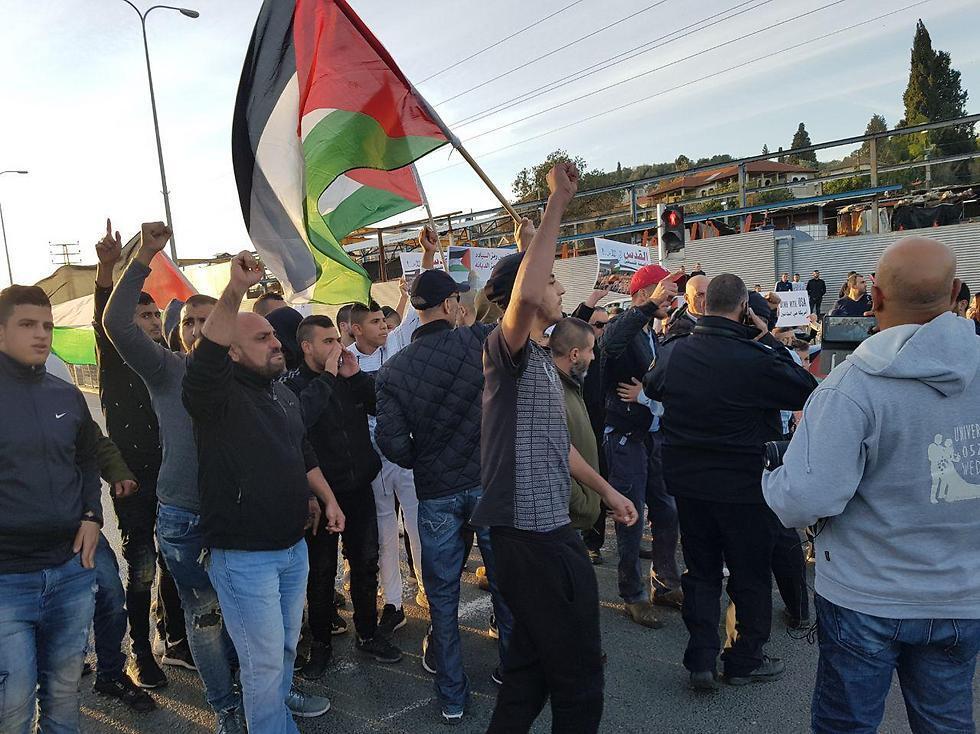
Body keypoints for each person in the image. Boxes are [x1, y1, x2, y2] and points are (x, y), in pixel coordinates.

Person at [763, 236, 980, 733]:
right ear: (957, 295)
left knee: (847, 725)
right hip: (963, 592)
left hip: (867, 595)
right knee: (947, 721)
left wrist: (771, 479)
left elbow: (807, 498)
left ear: (875, 298)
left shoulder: (850, 388)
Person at [472, 163, 638, 734]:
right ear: (521, 294)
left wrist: (609, 491)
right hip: (531, 535)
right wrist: (556, 206)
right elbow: (525, 291)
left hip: (544, 531)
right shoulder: (507, 351)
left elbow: (558, 447)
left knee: (529, 672)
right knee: (579, 678)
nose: (560, 286)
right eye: (550, 281)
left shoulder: (541, 358)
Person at [182, 250, 342, 733]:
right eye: (262, 336)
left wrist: (327, 498)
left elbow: (301, 452)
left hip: (292, 547)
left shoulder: (282, 392)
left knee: (285, 649)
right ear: (231, 350)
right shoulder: (215, 394)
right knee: (263, 663)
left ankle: (274, 710)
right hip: (244, 556)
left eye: (275, 335)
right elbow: (205, 360)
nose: (277, 342)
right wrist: (235, 291)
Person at [104, 222, 246, 732]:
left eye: (208, 320)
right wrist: (143, 255)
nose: (196, 329)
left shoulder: (245, 370)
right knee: (206, 617)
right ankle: (227, 709)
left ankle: (263, 688)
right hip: (185, 517)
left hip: (241, 514)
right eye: (189, 322)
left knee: (250, 614)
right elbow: (117, 324)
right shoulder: (166, 369)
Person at [643, 273, 816, 690]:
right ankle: (742, 660)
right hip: (743, 486)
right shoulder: (755, 357)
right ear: (744, 309)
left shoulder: (673, 352)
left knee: (701, 571)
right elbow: (806, 388)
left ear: (702, 306)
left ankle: (700, 659)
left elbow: (652, 385)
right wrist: (771, 338)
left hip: (688, 483)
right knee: (749, 572)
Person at [375, 264, 514, 725]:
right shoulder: (478, 342)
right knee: (505, 584)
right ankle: (512, 676)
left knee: (442, 597)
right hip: (488, 482)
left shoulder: (392, 371)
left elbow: (392, 444)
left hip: (435, 491)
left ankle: (453, 695)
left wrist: (426, 458)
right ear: (451, 304)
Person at [0, 285, 101, 733]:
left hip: (69, 572)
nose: (41, 335)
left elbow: (86, 456)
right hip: (7, 581)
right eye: (27, 325)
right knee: (13, 705)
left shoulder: (66, 395)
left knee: (63, 696)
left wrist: (93, 516)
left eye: (47, 326)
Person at [92, 219, 188, 686]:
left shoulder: (168, 363)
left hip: (171, 479)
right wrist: (108, 271)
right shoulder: (116, 357)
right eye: (142, 316)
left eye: (155, 316)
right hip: (133, 479)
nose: (152, 322)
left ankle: (173, 640)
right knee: (143, 567)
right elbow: (103, 317)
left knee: (173, 561)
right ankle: (139, 652)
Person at [283, 315, 400, 681]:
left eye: (338, 339)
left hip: (358, 486)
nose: (337, 346)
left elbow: (378, 406)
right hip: (321, 495)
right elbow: (299, 422)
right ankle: (321, 645)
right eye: (328, 341)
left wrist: (357, 377)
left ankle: (367, 632)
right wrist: (329, 377)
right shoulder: (294, 385)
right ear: (307, 347)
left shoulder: (347, 376)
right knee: (320, 574)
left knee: (365, 562)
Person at [600, 263, 682, 627]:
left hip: (651, 434)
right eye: (665, 290)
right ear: (641, 295)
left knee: (666, 510)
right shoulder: (629, 327)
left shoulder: (654, 333)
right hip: (625, 438)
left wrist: (648, 396)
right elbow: (610, 341)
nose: (672, 297)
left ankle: (664, 583)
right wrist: (648, 305)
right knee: (630, 517)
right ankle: (632, 594)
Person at [551, 317, 602, 532]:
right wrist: (579, 503)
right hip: (566, 520)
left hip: (573, 517)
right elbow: (552, 457)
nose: (593, 356)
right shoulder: (554, 393)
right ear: (574, 354)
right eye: (590, 350)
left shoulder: (570, 386)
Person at [666, 274, 708, 338]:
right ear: (687, 298)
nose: (706, 299)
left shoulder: (721, 320)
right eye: (700, 295)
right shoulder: (678, 332)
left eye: (709, 293)